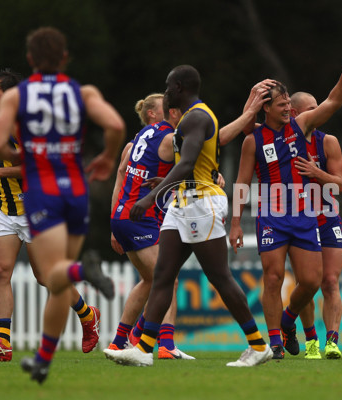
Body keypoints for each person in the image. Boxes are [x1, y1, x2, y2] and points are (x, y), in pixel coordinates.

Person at [104, 64, 272, 368]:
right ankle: (143, 349)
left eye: (169, 87)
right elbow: (196, 159)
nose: (166, 93)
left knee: (219, 277)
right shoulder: (192, 118)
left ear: (179, 88)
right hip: (182, 202)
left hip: (201, 202)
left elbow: (187, 163)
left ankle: (258, 345)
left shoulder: (196, 117)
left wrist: (151, 196)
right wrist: (163, 186)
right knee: (163, 276)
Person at [0, 27, 125, 383]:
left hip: (43, 192)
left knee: (55, 277)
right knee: (52, 277)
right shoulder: (83, 92)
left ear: (31, 60)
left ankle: (84, 273)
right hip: (74, 190)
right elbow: (114, 124)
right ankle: (44, 358)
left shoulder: (19, 98)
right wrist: (109, 157)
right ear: (65, 58)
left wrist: (27, 156)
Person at [230, 52, 342, 360]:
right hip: (271, 217)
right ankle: (275, 343)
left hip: (304, 216)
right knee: (273, 277)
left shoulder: (301, 125)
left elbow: (333, 102)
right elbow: (241, 183)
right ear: (266, 108)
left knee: (311, 281)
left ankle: (288, 321)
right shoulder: (254, 140)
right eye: (282, 104)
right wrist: (235, 223)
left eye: (290, 103)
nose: (289, 108)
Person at [0, 69, 103, 361]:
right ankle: (3, 343)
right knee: (0, 271)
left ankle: (87, 314)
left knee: (45, 277)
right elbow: (4, 161)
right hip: (6, 209)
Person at [105, 96, 194, 360]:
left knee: (151, 280)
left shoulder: (141, 137)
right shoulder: (168, 139)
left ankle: (121, 340)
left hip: (128, 216)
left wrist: (114, 222)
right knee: (167, 279)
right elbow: (191, 162)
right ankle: (164, 344)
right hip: (139, 217)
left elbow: (122, 175)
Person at [290, 91, 342, 360]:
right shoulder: (284, 140)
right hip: (299, 220)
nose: (318, 113)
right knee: (307, 283)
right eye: (311, 109)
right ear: (294, 113)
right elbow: (249, 132)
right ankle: (311, 339)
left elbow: (341, 184)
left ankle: (332, 341)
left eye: (319, 107)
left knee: (331, 281)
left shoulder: (328, 142)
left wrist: (317, 173)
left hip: (327, 216)